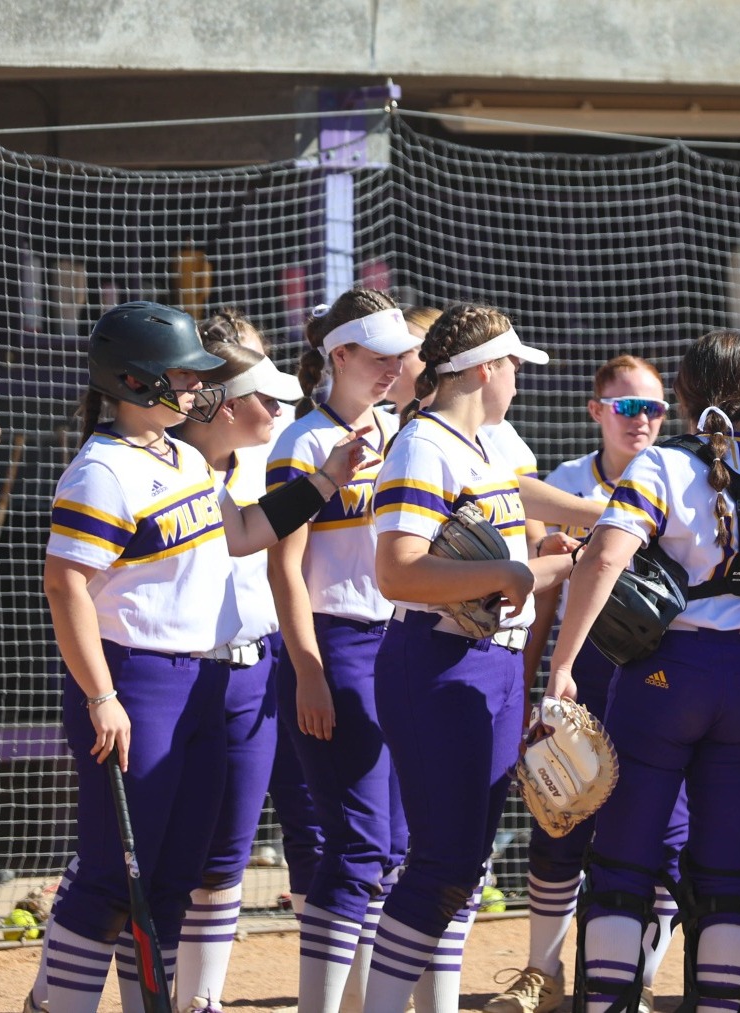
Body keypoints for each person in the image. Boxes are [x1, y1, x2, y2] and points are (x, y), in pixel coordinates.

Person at [29, 301, 365, 1013]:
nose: (197, 389)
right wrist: (100, 694)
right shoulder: (101, 470)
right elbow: (65, 586)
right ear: (137, 379)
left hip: (202, 681)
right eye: (183, 375)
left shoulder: (181, 454)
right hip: (136, 679)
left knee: (176, 874)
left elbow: (242, 530)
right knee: (111, 878)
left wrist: (327, 480)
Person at [548, 329, 740, 1013]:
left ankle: (608, 1000)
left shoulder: (661, 465)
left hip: (670, 668)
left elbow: (603, 559)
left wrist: (561, 662)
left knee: (623, 857)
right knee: (728, 867)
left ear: (683, 393)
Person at [360, 304, 572, 1013]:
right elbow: (397, 572)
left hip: (487, 664)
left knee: (463, 866)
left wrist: (603, 515)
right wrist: (506, 576)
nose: (517, 376)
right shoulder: (424, 445)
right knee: (443, 861)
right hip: (439, 662)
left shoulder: (478, 441)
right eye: (513, 364)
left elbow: (518, 489)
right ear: (485, 368)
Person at [492, 354, 683, 1013]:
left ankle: (641, 973)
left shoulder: (682, 475)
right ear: (595, 409)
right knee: (559, 816)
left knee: (665, 832)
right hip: (587, 672)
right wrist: (530, 682)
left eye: (654, 407)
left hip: (665, 677)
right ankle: (542, 973)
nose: (642, 420)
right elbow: (543, 600)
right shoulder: (567, 483)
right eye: (627, 406)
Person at [268, 289, 418, 1013]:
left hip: (398, 643)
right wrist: (308, 668)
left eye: (399, 357)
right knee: (358, 844)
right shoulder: (301, 441)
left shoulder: (401, 431)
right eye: (380, 356)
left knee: (391, 848)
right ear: (340, 355)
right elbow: (282, 567)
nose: (393, 369)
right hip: (335, 643)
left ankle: (364, 1001)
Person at [170, 329, 308, 1010]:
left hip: (250, 675)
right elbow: (242, 533)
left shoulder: (255, 466)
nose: (280, 411)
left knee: (227, 854)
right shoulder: (162, 463)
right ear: (223, 406)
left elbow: (252, 533)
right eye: (266, 398)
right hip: (171, 680)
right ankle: (57, 994)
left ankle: (201, 1000)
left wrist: (329, 478)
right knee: (158, 855)